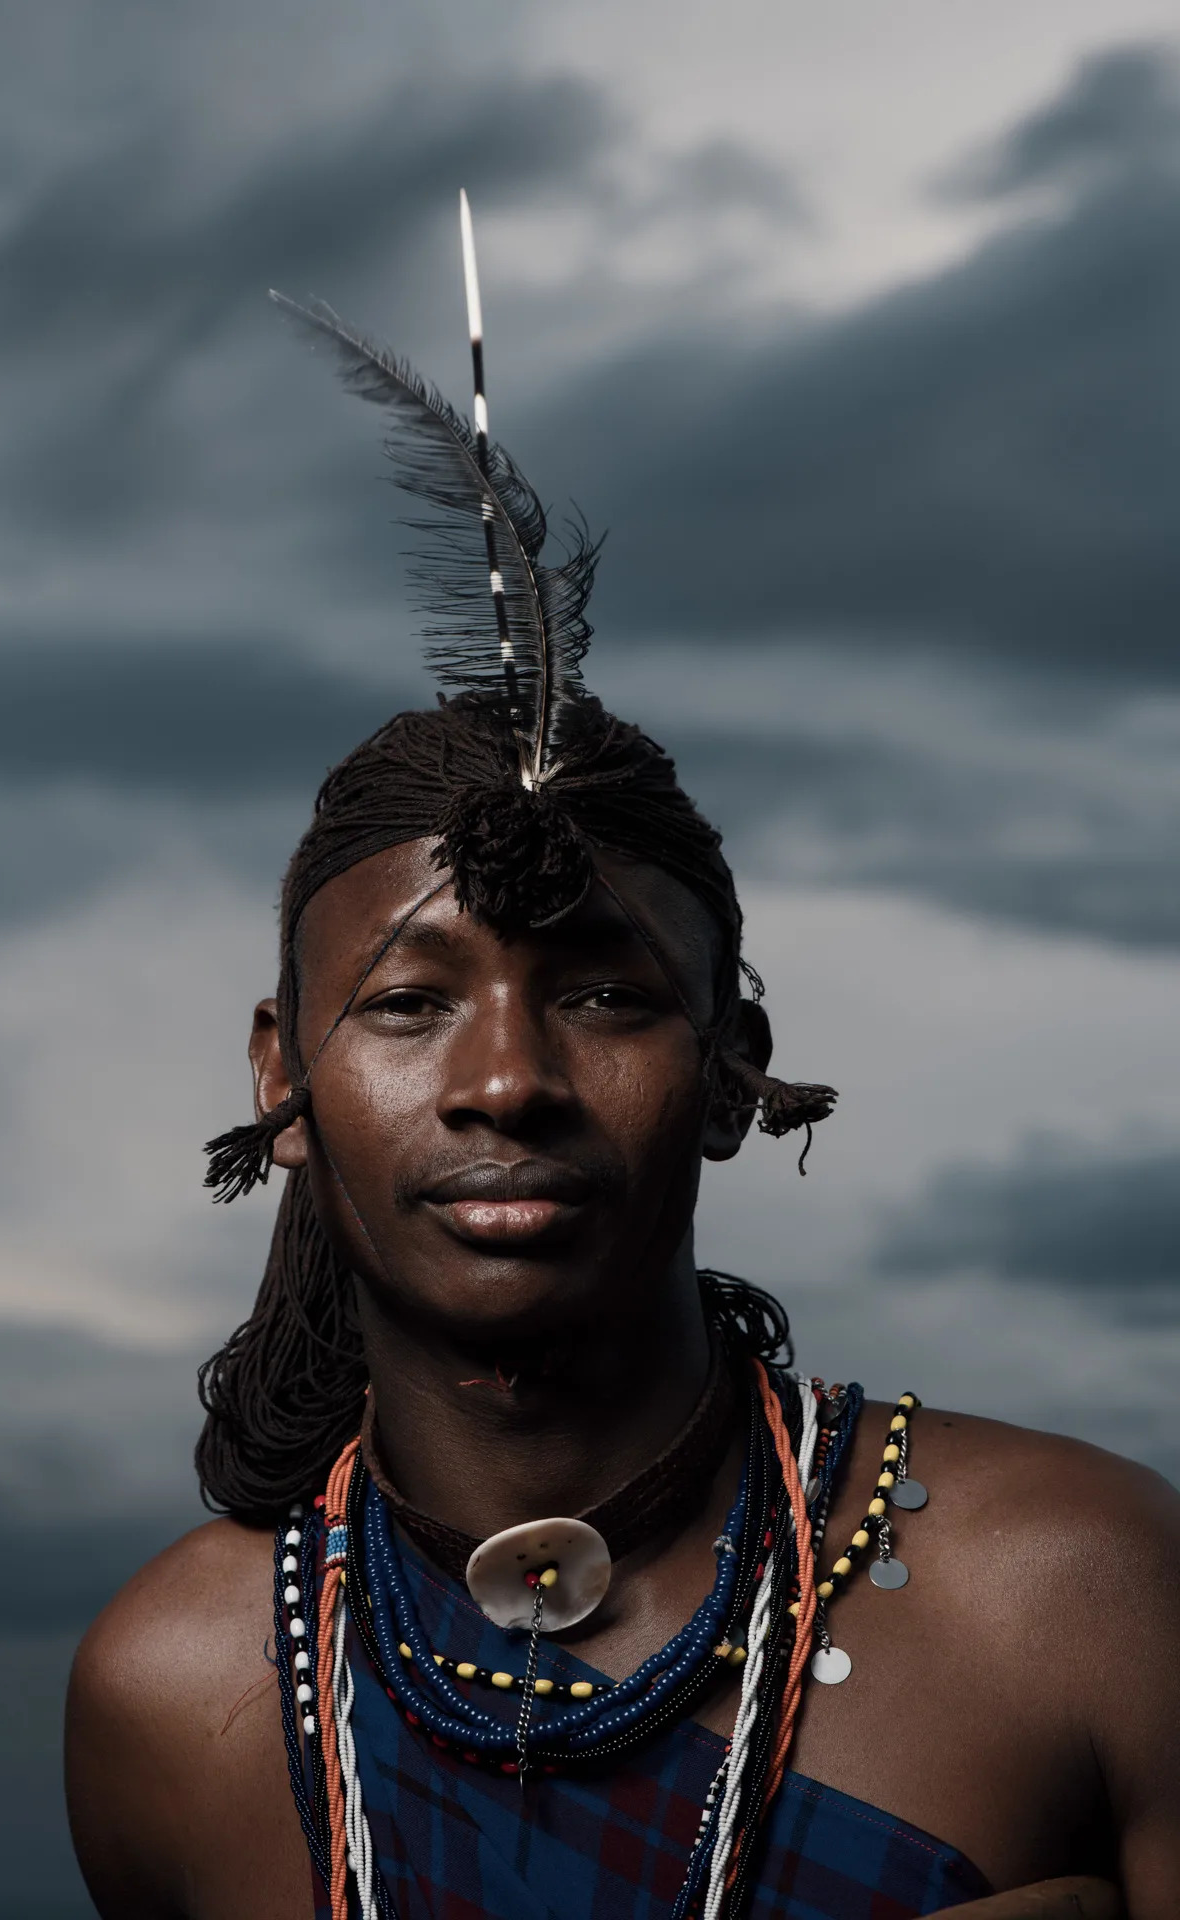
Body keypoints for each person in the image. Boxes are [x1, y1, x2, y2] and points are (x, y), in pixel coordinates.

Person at [65, 215, 1179, 1920]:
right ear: (282, 1081)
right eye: (408, 1003)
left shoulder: (1076, 1587)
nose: (507, 1079)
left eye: (602, 996)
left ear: (737, 1066)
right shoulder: (171, 1694)